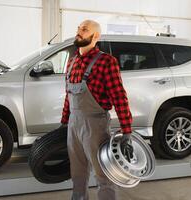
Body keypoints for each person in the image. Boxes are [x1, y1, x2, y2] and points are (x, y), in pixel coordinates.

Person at [60, 19, 133, 200]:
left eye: (84, 29)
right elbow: (68, 97)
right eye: (78, 28)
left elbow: (119, 97)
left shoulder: (106, 62)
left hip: (95, 124)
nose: (79, 31)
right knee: (77, 173)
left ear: (96, 36)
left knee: (103, 174)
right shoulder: (72, 62)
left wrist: (127, 132)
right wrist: (64, 122)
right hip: (73, 125)